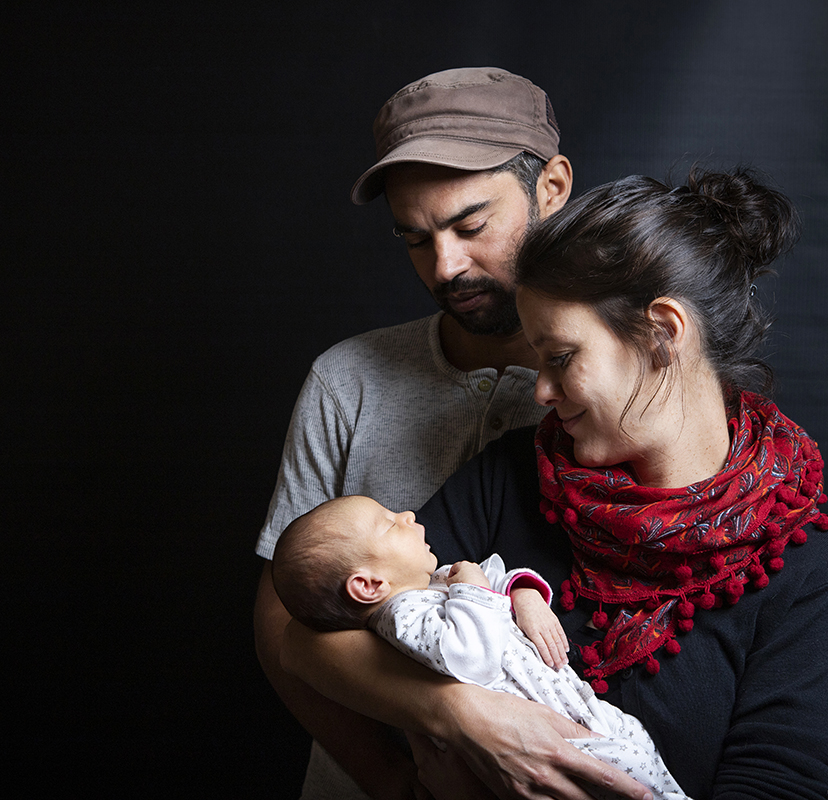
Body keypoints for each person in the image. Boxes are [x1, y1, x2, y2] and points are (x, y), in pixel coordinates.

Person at [282, 168, 828, 800]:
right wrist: (464, 716)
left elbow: (780, 781)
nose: (540, 391)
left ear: (663, 333)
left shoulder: (805, 564)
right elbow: (311, 638)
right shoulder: (512, 475)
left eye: (559, 358)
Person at [253, 67, 577, 799]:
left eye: (471, 226)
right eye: (415, 238)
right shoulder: (346, 381)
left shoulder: (608, 394)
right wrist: (393, 779)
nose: (446, 266)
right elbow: (282, 621)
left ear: (552, 188)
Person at [272, 495, 693, 800]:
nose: (407, 515)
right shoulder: (401, 618)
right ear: (369, 585)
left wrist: (523, 593)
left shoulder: (428, 585)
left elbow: (492, 577)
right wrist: (471, 583)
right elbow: (471, 655)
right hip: (548, 735)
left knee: (642, 760)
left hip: (571, 709)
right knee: (628, 778)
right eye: (389, 524)